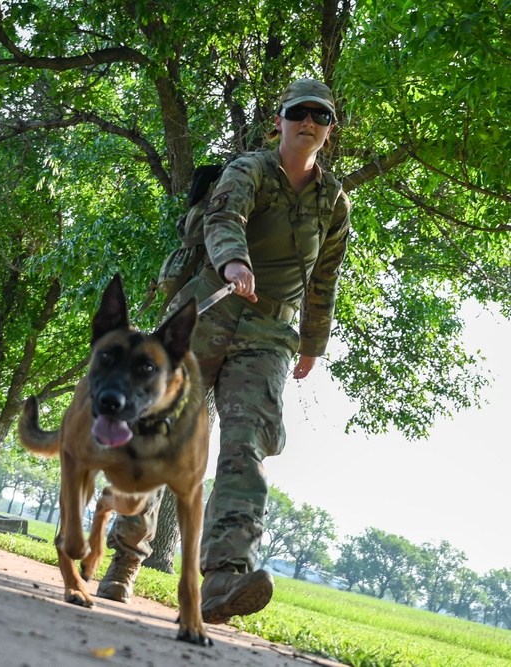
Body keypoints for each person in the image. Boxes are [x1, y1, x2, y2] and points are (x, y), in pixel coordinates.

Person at [97, 78, 351, 624]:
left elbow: (324, 279)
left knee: (246, 449)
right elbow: (223, 218)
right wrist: (234, 261)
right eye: (298, 113)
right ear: (279, 122)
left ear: (329, 132)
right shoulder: (250, 169)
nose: (309, 122)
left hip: (269, 336)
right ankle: (124, 560)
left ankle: (223, 579)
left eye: (321, 117)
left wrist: (311, 344)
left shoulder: (335, 202)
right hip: (205, 313)